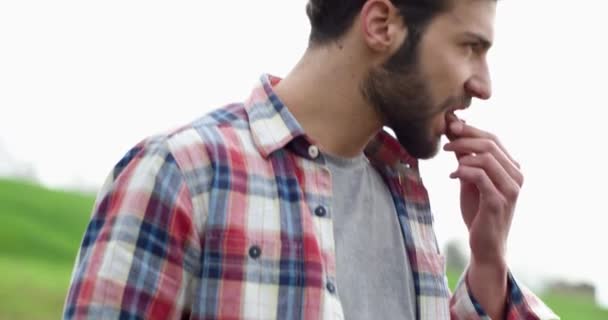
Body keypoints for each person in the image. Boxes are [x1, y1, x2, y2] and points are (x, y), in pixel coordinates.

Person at [63, 0, 559, 319]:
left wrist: (489, 264)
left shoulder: (404, 194)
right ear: (381, 24)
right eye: (470, 47)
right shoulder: (181, 174)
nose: (484, 85)